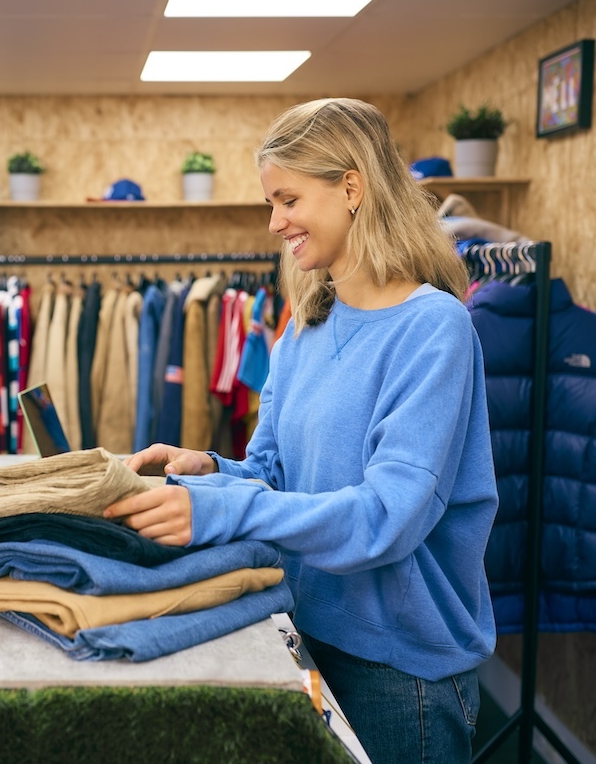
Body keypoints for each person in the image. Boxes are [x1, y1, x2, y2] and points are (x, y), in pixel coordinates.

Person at [105, 97, 498, 764]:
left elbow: (387, 517)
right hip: (306, 633)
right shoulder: (305, 327)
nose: (275, 221)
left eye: (287, 198)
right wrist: (209, 469)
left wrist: (216, 510)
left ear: (351, 187)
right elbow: (273, 480)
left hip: (400, 676)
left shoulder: (434, 328)